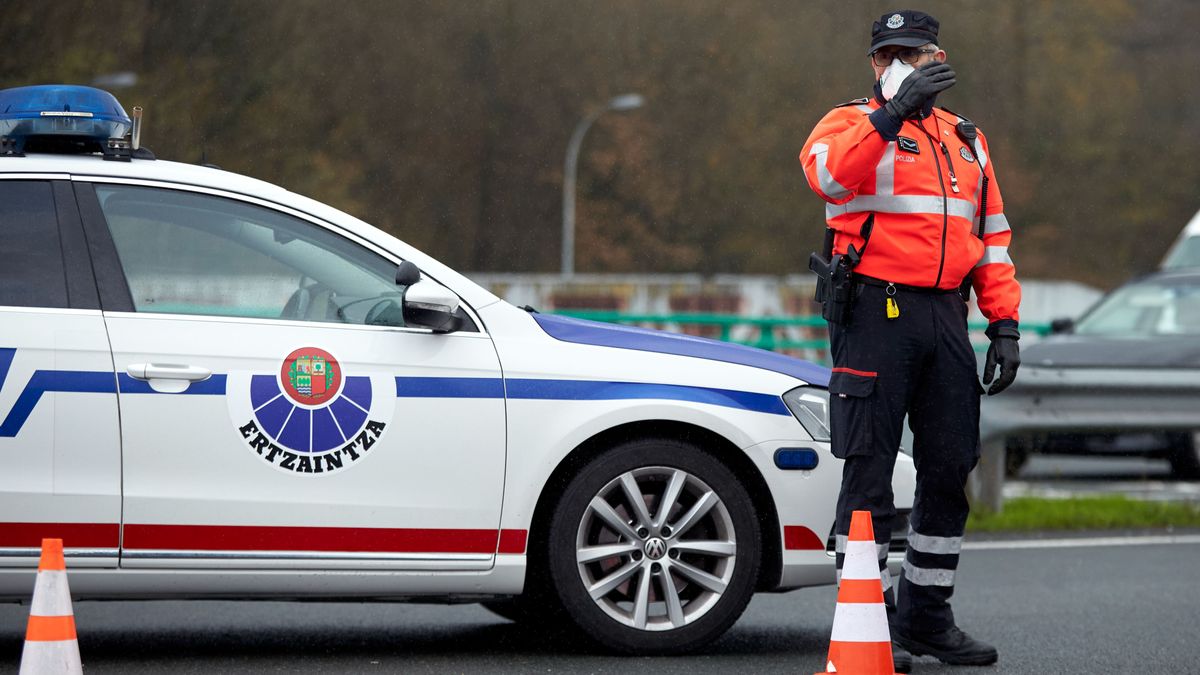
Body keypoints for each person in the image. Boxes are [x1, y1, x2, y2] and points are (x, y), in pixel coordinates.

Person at [800, 9, 1020, 671]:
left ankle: (926, 615)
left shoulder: (968, 139)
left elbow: (994, 240)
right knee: (867, 467)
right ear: (874, 63)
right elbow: (830, 177)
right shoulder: (847, 124)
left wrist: (1003, 321)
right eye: (888, 53)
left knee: (951, 464)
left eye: (913, 52)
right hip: (874, 311)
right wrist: (892, 113)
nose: (900, 61)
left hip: (945, 317)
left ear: (936, 57)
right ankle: (864, 623)